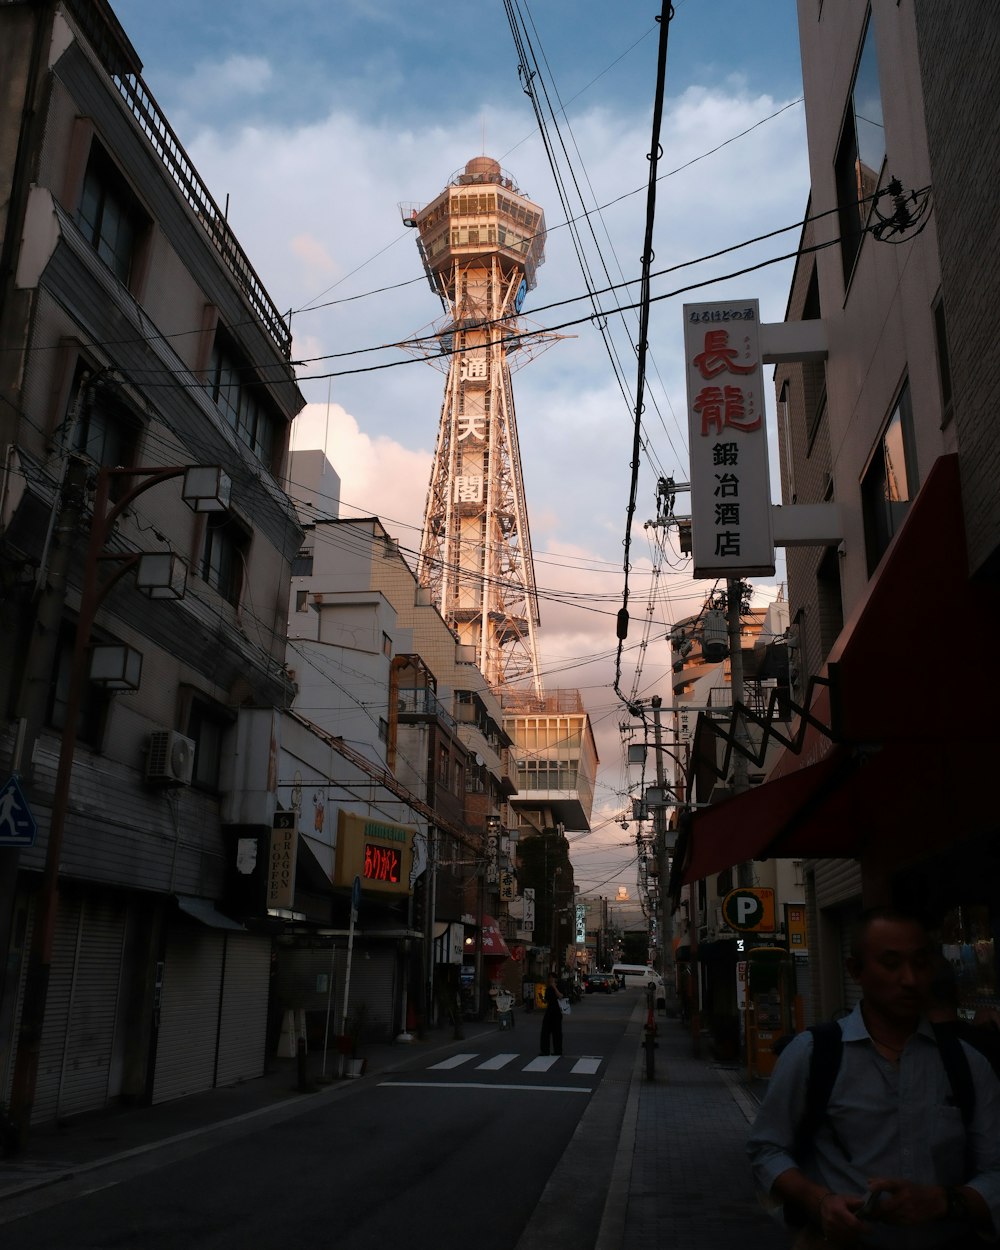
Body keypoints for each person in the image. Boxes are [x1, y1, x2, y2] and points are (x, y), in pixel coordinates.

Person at [747, 908, 1000, 1248]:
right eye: (891, 963)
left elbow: (995, 1169)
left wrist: (947, 1201)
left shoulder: (966, 1064)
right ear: (856, 971)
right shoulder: (812, 1054)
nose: (909, 979)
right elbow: (766, 1148)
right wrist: (819, 1201)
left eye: (920, 962)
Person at [539, 972, 565, 1056]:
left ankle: (558, 1051)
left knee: (557, 1032)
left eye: (551, 978)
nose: (550, 979)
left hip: (557, 1012)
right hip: (549, 1011)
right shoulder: (548, 988)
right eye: (549, 978)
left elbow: (560, 996)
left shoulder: (559, 986)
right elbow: (547, 1000)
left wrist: (554, 987)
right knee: (545, 1031)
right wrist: (542, 999)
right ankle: (545, 1050)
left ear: (555, 979)